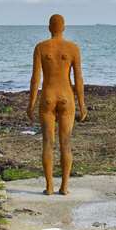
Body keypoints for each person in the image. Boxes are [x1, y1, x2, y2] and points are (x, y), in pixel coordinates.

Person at [26, 13, 86, 195]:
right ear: (64, 27)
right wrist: (82, 104)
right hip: (67, 97)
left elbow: (35, 79)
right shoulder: (73, 48)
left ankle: (49, 187)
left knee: (47, 142)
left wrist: (31, 104)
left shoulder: (41, 48)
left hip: (48, 97)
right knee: (65, 143)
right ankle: (65, 187)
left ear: (49, 27)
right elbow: (78, 79)